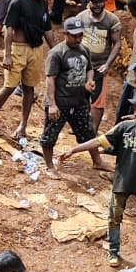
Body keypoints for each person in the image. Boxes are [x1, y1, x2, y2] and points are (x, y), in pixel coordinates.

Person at [54, 89, 136, 266]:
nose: (135, 113)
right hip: (123, 180)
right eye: (134, 109)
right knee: (114, 217)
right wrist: (74, 149)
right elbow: (99, 141)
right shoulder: (124, 127)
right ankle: (114, 251)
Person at [0, 0, 55, 141]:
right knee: (9, 86)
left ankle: (23, 125)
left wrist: (55, 50)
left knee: (29, 88)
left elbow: (47, 29)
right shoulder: (18, 2)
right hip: (18, 48)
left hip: (36, 49)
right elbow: (8, 30)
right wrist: (7, 55)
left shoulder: (42, 3)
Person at [40, 17, 103, 178]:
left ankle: (97, 161)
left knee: (88, 132)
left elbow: (90, 69)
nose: (78, 39)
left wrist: (89, 80)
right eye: (74, 35)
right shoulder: (56, 53)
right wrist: (52, 105)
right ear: (65, 34)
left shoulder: (84, 50)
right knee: (50, 136)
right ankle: (49, 166)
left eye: (80, 35)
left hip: (79, 101)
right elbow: (50, 80)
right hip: (60, 102)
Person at [76, 0, 123, 132]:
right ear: (88, 1)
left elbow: (117, 43)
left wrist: (108, 64)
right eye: (94, 2)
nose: (97, 5)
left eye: (100, 1)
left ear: (105, 1)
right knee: (81, 97)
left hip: (99, 67)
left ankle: (93, 131)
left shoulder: (111, 20)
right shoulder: (81, 17)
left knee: (97, 101)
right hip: (81, 66)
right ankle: (81, 126)